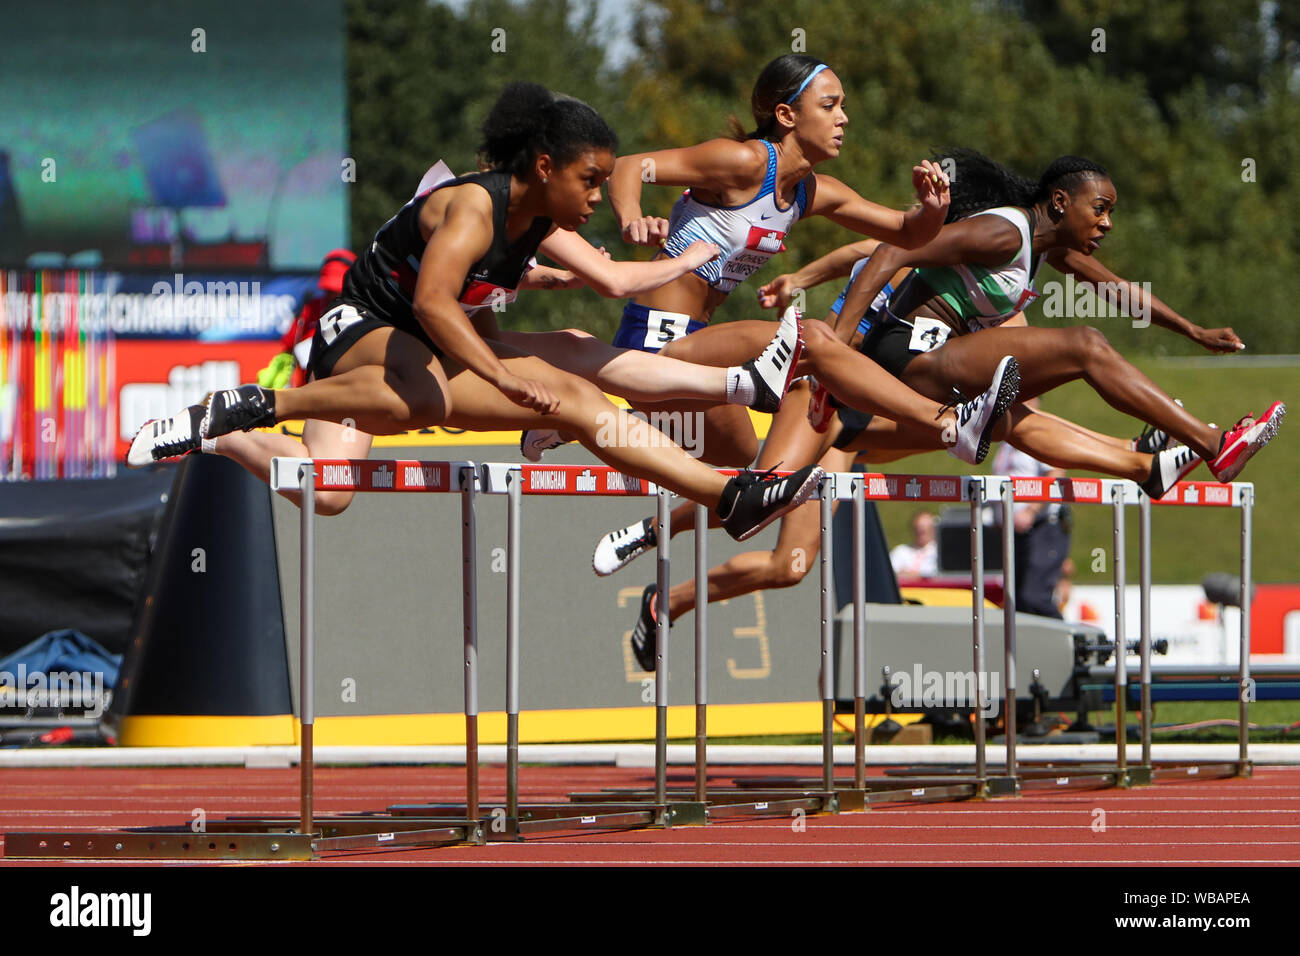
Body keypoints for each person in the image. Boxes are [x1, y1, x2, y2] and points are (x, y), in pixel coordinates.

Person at [125, 82, 823, 542]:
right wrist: (502, 375)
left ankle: (740, 400)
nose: (595, 198)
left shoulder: (545, 221)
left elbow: (613, 281)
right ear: (545, 166)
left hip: (432, 351)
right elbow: (431, 302)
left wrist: (691, 255)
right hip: (364, 332)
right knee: (560, 399)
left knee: (331, 489)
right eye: (589, 181)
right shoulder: (472, 206)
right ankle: (255, 402)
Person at [522, 53, 1021, 469]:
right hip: (657, 336)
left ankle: (583, 417)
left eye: (843, 105)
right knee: (810, 339)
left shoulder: (812, 191)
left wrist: (932, 211)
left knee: (744, 465)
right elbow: (632, 167)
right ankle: (948, 423)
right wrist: (632, 218)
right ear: (787, 116)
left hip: (698, 341)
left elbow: (906, 234)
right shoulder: (744, 163)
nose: (844, 117)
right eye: (829, 105)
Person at [821, 148, 1283, 488]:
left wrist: (1192, 330)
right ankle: (1214, 443)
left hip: (940, 361)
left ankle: (1145, 468)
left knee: (1015, 421)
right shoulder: (1004, 231)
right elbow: (890, 249)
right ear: (1061, 202)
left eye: (1111, 213)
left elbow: (1115, 288)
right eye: (1099, 209)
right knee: (1084, 345)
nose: (1107, 223)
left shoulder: (1047, 248)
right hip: (910, 353)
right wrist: (836, 355)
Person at [890, 510, 939, 578]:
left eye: (926, 529)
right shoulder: (900, 551)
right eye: (918, 528)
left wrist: (913, 575)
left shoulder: (939, 553)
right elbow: (888, 573)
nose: (921, 532)